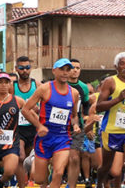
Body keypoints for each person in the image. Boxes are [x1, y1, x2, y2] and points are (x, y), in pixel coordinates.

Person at [22, 58, 81, 188]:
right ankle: (35, 164)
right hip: (44, 138)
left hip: (63, 138)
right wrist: (39, 126)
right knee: (39, 179)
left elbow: (74, 116)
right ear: (54, 71)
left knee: (59, 172)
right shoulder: (44, 89)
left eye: (68, 70)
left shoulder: (74, 93)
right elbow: (25, 110)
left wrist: (75, 125)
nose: (65, 73)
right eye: (62, 69)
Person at [95, 52, 125, 188]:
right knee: (106, 167)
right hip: (111, 131)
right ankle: (100, 183)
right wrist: (118, 99)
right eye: (122, 64)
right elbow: (98, 107)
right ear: (116, 66)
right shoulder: (110, 82)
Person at [66, 58, 91, 188]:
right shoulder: (61, 85)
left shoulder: (83, 87)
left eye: (78, 68)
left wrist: (87, 123)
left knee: (75, 157)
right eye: (72, 67)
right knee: (60, 159)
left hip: (77, 127)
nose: (75, 70)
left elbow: (86, 106)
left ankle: (72, 185)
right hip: (60, 127)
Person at [13, 56, 38, 188]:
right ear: (16, 69)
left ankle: (29, 183)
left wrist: (37, 109)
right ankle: (22, 185)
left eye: (27, 68)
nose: (25, 71)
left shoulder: (37, 85)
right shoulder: (12, 86)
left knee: (30, 160)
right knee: (20, 157)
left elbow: (45, 105)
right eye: (21, 68)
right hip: (18, 128)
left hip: (33, 126)